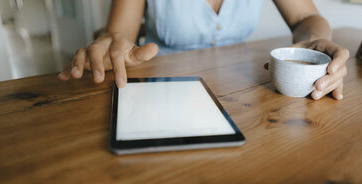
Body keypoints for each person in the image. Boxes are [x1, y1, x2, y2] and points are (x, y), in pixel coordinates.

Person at [58, 0, 349, 100]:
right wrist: (110, 45)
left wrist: (312, 42)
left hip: (245, 94)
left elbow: (306, 18)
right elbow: (116, 34)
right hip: (161, 94)